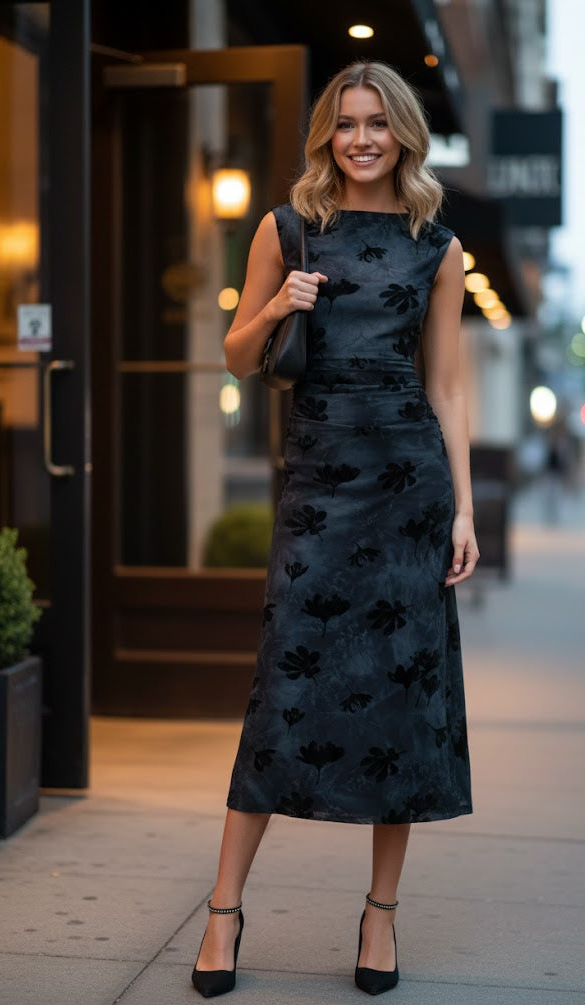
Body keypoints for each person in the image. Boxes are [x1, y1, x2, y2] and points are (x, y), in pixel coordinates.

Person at [192, 60, 480, 998]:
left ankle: (379, 917)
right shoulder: (288, 228)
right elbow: (236, 358)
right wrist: (277, 304)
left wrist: (464, 508)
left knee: (402, 698)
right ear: (327, 133)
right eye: (346, 123)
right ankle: (224, 910)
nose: (361, 138)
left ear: (402, 134)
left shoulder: (435, 246)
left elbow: (446, 385)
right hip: (317, 486)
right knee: (280, 694)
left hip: (408, 489)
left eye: (377, 124)